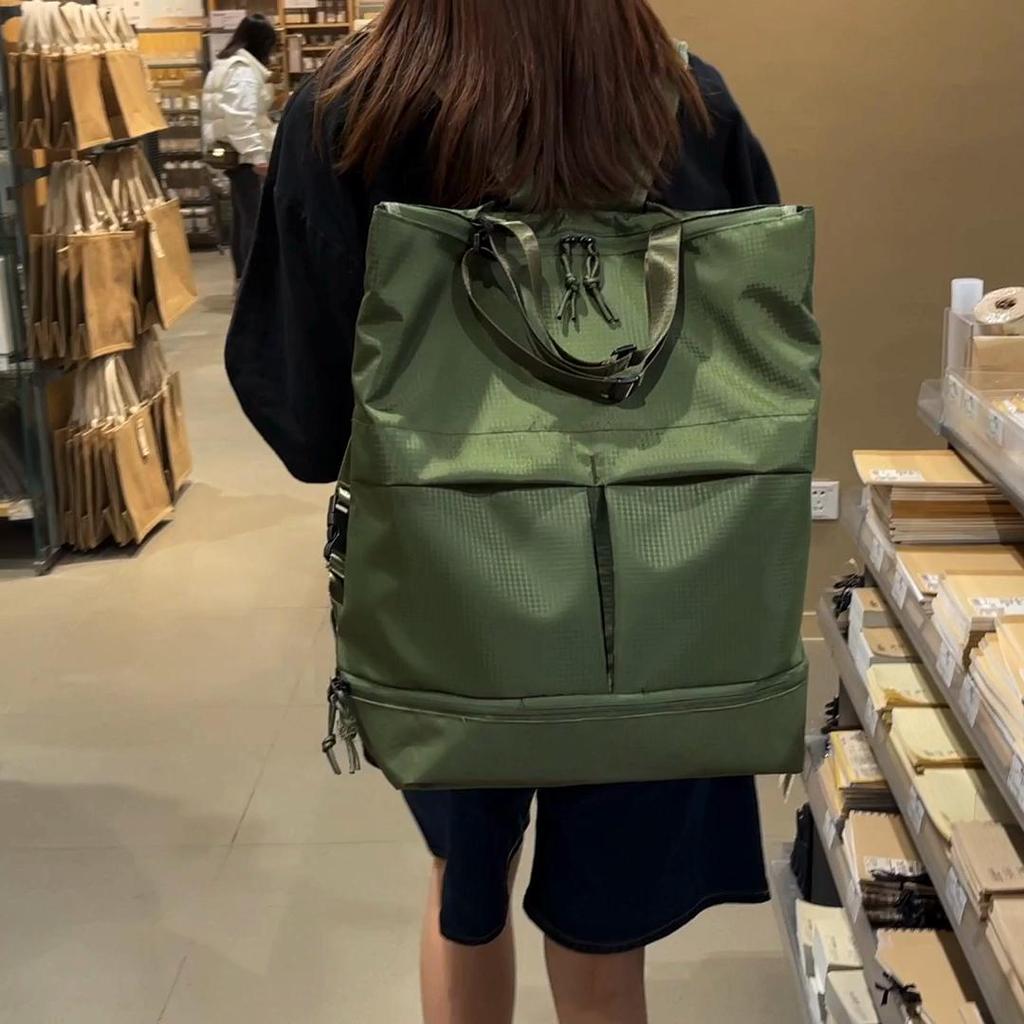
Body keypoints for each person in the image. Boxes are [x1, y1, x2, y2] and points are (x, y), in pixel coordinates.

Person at [226, 3, 781, 1022]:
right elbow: (757, 371)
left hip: (447, 596)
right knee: (607, 941)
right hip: (660, 596)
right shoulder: (683, 101)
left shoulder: (351, 111)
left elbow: (305, 423)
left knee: (460, 895)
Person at [202, 13, 278, 280]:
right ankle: (253, 281)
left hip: (233, 154)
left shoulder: (226, 65)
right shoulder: (244, 72)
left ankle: (243, 278)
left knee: (243, 218)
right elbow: (241, 118)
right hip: (245, 156)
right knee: (254, 221)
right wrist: (257, 155)